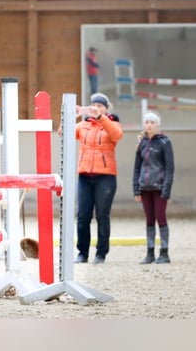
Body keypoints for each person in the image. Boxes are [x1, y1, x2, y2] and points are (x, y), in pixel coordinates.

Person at [74, 92, 123, 264]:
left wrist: (101, 117)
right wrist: (71, 116)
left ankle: (101, 253)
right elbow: (62, 134)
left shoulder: (112, 123)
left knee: (102, 215)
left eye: (100, 105)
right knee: (82, 216)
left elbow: (116, 135)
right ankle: (82, 253)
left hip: (105, 176)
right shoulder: (82, 125)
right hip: (84, 176)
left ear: (106, 108)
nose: (96, 108)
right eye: (93, 105)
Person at [133, 111, 175, 264]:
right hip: (145, 188)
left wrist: (167, 189)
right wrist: (136, 188)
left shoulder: (165, 142)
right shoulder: (142, 143)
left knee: (161, 218)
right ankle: (150, 252)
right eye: (147, 122)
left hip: (159, 187)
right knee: (149, 219)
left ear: (158, 125)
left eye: (152, 122)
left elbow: (170, 167)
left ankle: (164, 252)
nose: (149, 125)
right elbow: (137, 168)